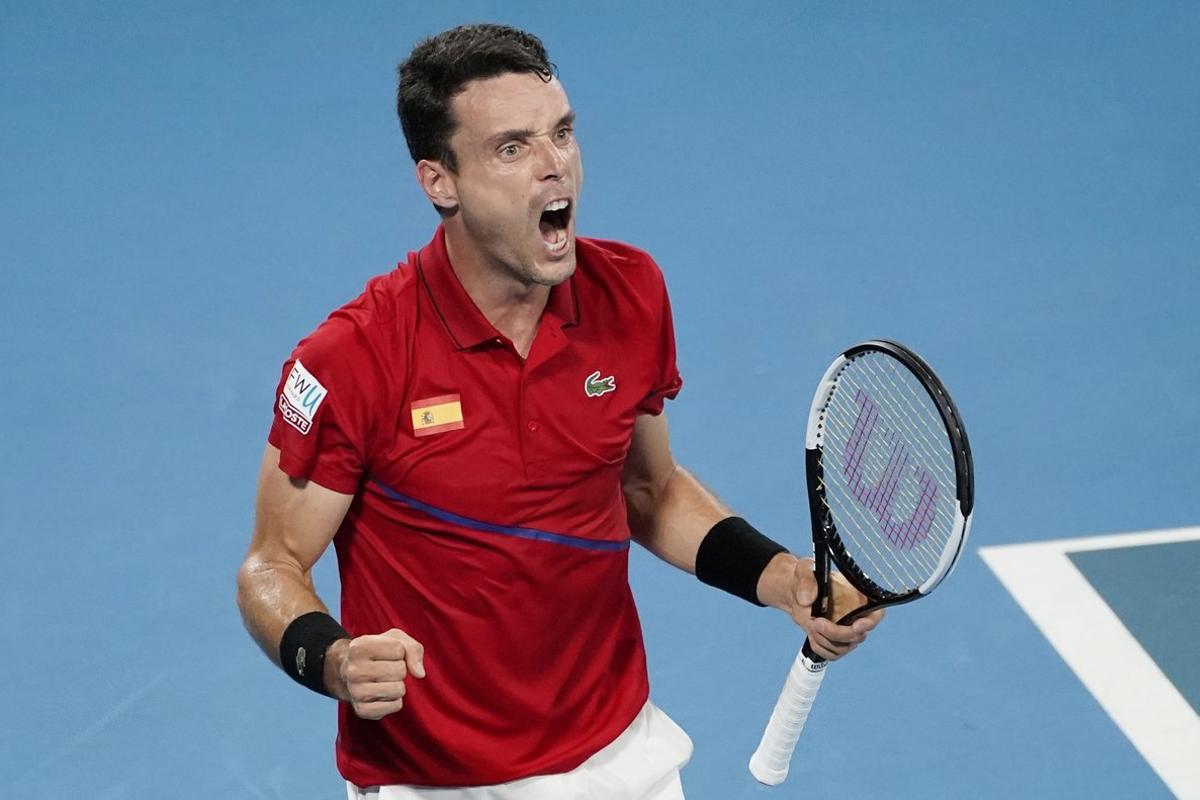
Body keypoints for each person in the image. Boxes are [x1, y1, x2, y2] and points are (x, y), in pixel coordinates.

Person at [236, 23, 883, 800]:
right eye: (513, 148)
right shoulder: (353, 358)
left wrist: (780, 577)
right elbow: (271, 566)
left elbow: (649, 489)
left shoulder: (629, 292)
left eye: (563, 133)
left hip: (620, 756)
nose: (556, 166)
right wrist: (335, 660)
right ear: (440, 181)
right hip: (437, 783)